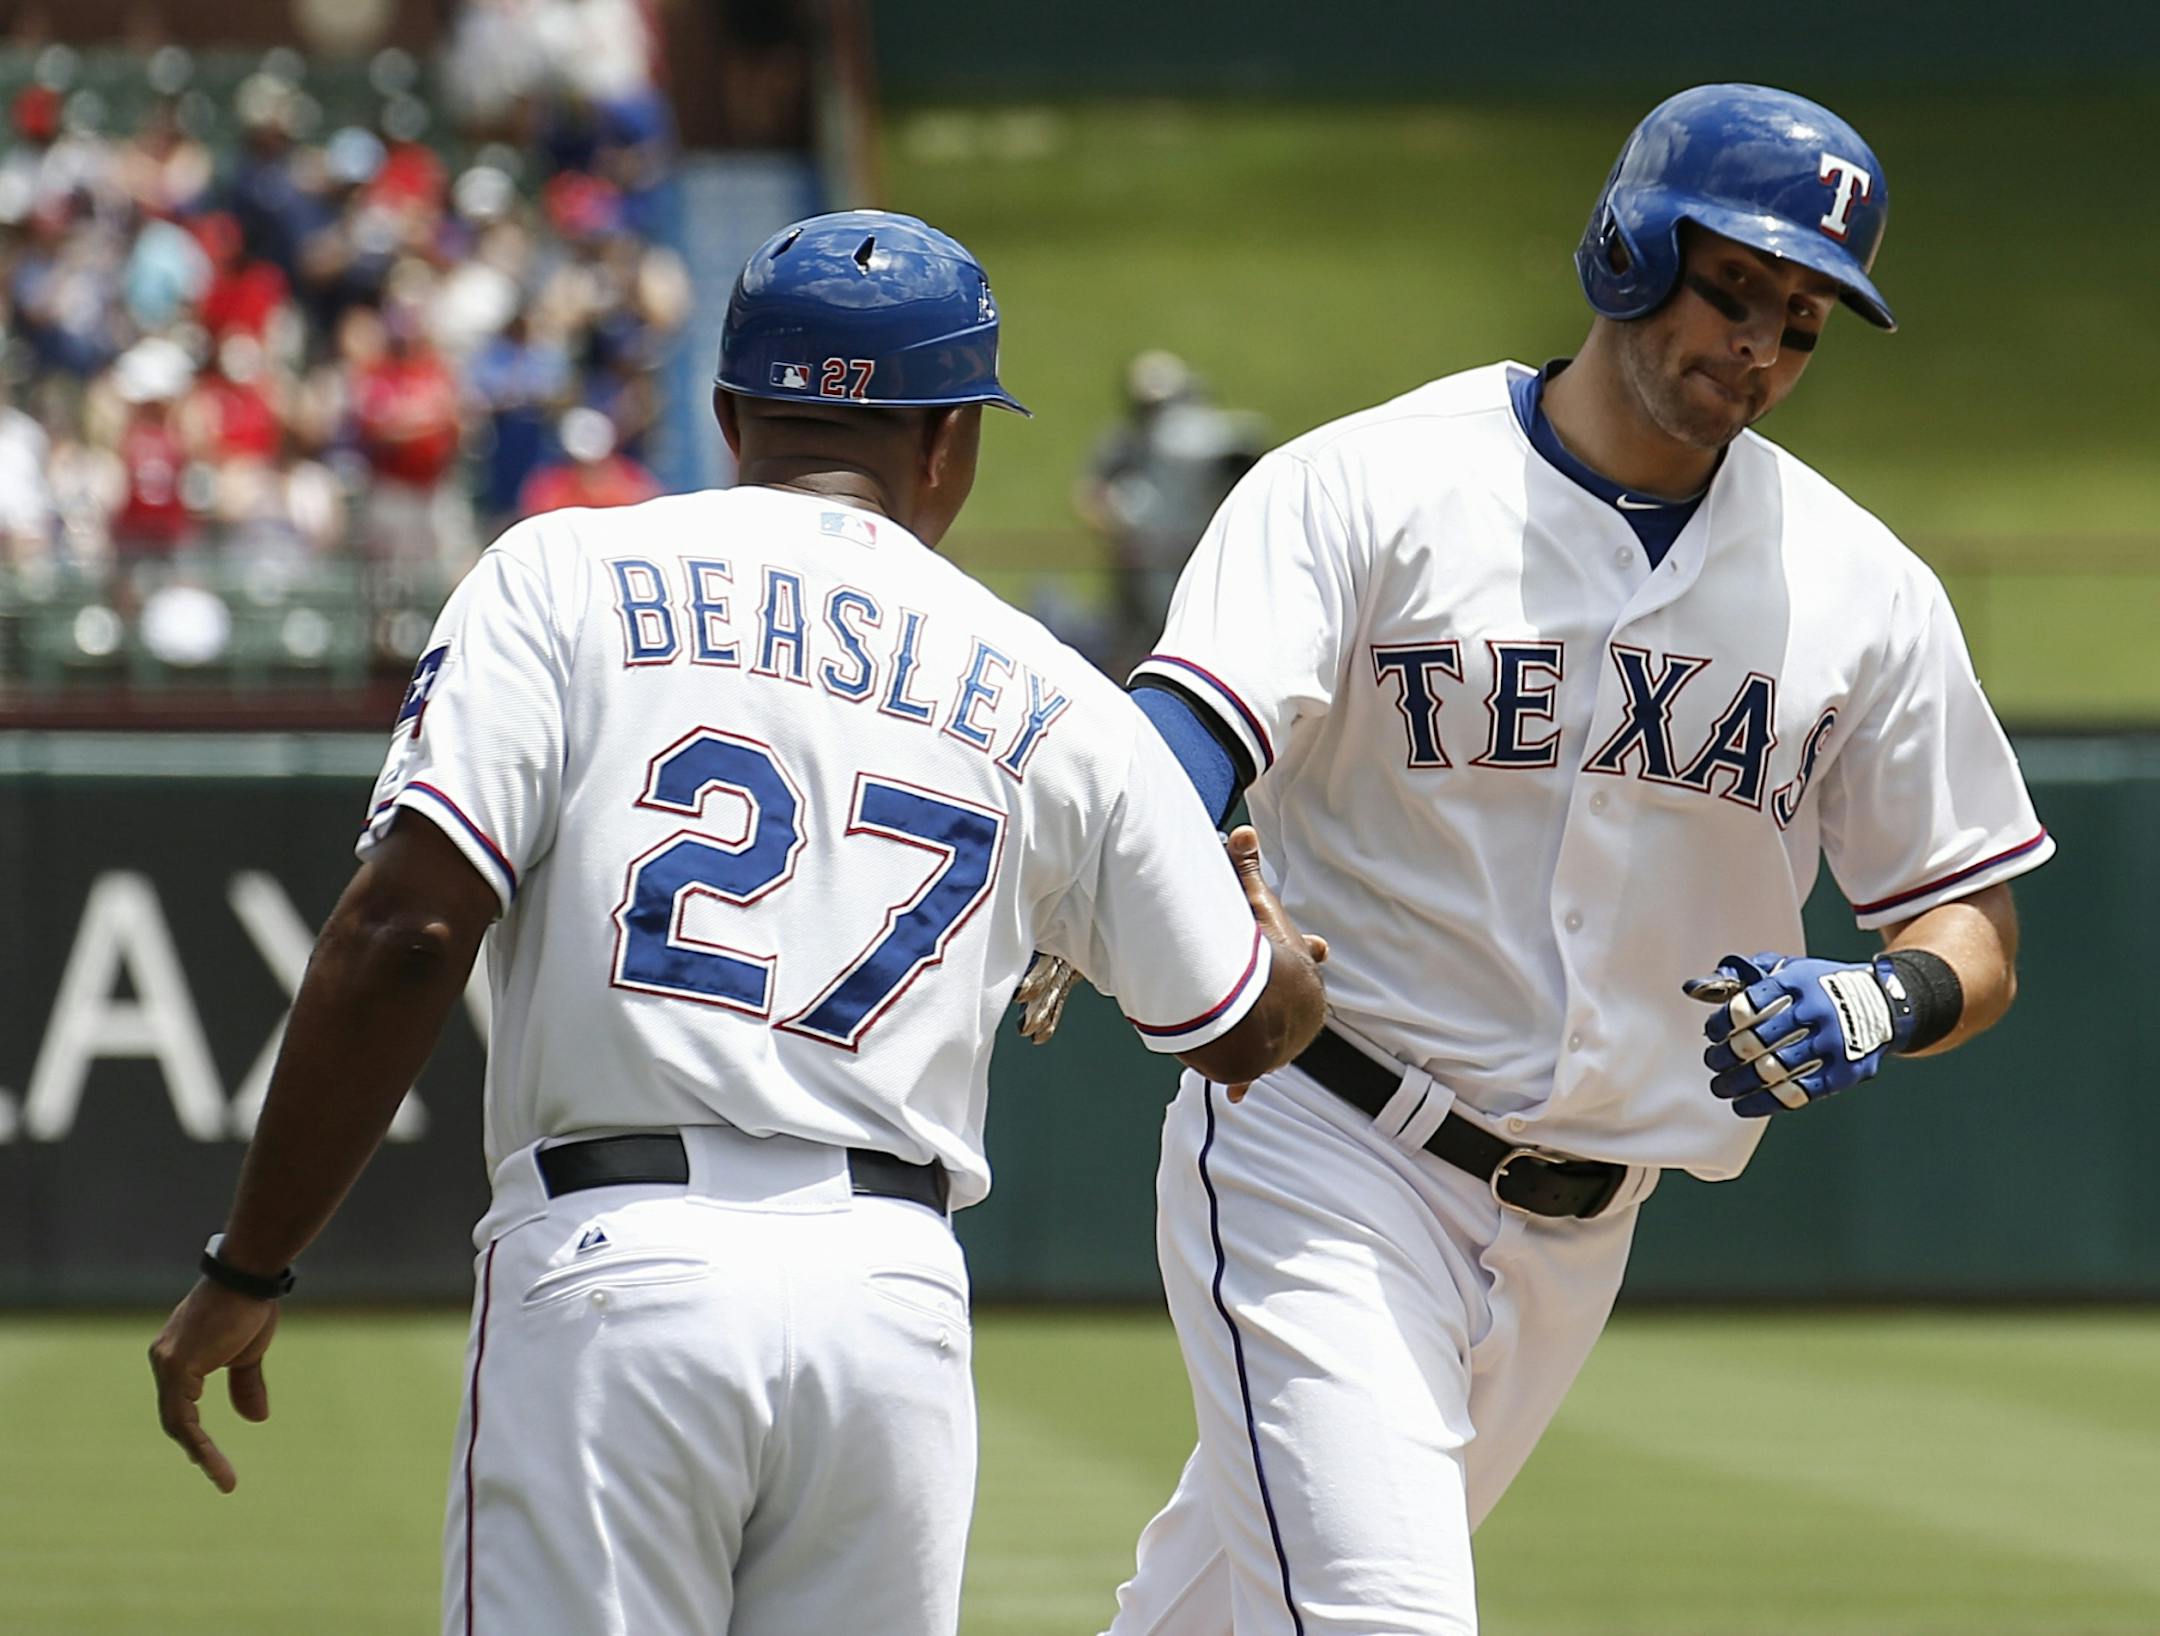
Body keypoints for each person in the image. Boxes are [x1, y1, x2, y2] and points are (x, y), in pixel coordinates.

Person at [146, 210, 1329, 1636]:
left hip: (615, 1266)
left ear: (726, 415)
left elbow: (404, 933)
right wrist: (1286, 958)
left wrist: (247, 1263)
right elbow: (1244, 1026)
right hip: (890, 1301)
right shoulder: (1052, 685)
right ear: (951, 441)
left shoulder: (561, 575)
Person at [1074, 84, 2054, 1634]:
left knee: (1215, 1612)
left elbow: (1971, 921)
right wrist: (1118, 868)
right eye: (1736, 286)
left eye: (1802, 322)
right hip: (1326, 1147)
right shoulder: (1373, 485)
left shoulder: (1861, 588)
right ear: (1625, 249)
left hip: (1585, 1222)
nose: (1760, 347)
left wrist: (1889, 1001)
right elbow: (1186, 742)